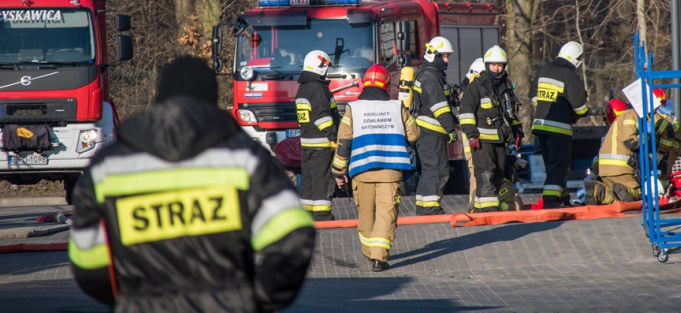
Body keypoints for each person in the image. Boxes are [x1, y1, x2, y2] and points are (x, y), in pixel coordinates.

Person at [68, 56, 315, 312]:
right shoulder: (245, 159)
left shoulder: (108, 167)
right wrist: (259, 299)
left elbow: (87, 258)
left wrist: (131, 299)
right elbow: (292, 235)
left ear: (158, 97)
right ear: (212, 100)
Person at [331, 64, 420, 272]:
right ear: (387, 85)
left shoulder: (353, 109)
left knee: (366, 213)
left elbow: (344, 143)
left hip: (361, 171)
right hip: (391, 171)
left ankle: (370, 252)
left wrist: (338, 172)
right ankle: (380, 258)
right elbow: (414, 136)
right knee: (386, 213)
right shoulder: (397, 107)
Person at [459, 45, 524, 212]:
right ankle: (487, 211)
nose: (496, 68)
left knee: (499, 173)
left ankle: (483, 207)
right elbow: (466, 112)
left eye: (499, 65)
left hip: (501, 140)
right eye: (493, 65)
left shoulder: (506, 87)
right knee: (485, 173)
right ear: (487, 65)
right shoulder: (476, 86)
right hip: (482, 141)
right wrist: (472, 135)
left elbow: (511, 114)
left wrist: (518, 133)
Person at [586, 89, 673, 205]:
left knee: (617, 193)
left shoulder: (621, 119)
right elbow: (631, 141)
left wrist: (593, 172)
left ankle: (601, 193)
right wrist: (647, 137)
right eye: (655, 109)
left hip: (605, 171)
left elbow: (665, 128)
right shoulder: (631, 115)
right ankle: (619, 193)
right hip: (621, 170)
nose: (656, 111)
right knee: (640, 196)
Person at [530, 41, 589, 209]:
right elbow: (580, 105)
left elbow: (532, 94)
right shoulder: (568, 75)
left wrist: (543, 107)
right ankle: (551, 202)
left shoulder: (543, 70)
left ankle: (562, 198)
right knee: (558, 164)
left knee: (552, 165)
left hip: (541, 127)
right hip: (559, 128)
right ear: (575, 60)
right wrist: (577, 113)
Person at [412, 36, 459, 215]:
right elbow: (439, 106)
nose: (446, 60)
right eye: (444, 56)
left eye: (448, 57)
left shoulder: (428, 72)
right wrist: (450, 129)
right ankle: (430, 208)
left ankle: (424, 207)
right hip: (431, 130)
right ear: (433, 55)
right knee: (437, 168)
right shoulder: (430, 76)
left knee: (430, 168)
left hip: (428, 131)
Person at [296, 50, 342, 220]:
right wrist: (333, 138)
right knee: (322, 179)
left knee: (308, 180)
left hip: (307, 143)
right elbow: (322, 117)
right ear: (321, 66)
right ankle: (322, 214)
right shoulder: (318, 89)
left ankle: (307, 214)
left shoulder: (302, 89)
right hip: (322, 143)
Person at [460, 57, 486, 212]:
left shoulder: (467, 91)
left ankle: (476, 203)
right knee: (477, 171)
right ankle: (475, 205)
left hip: (474, 141)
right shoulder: (471, 93)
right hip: (474, 141)